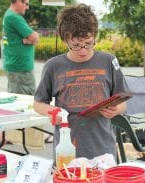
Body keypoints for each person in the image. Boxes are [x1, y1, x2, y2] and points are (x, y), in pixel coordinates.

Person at [33, 4, 129, 161]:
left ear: (94, 36)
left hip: (103, 151)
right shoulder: (53, 66)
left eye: (88, 43)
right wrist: (52, 111)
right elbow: (38, 104)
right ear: (65, 40)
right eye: (76, 45)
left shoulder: (109, 61)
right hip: (67, 151)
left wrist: (116, 109)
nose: (83, 51)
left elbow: (123, 102)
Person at [3, 0, 39, 95]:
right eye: (26, 4)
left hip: (16, 65)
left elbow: (33, 38)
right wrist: (32, 39)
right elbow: (34, 37)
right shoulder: (14, 17)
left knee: (17, 99)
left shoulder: (9, 15)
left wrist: (30, 40)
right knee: (25, 101)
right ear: (18, 1)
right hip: (20, 67)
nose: (27, 7)